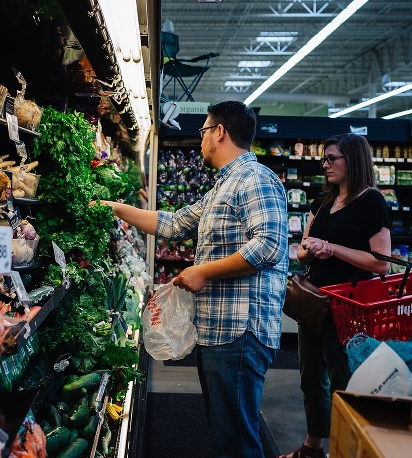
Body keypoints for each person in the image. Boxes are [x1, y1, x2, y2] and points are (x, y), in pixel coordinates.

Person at [96, 101, 288, 458]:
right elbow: (172, 223)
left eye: (202, 131)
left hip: (240, 333)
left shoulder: (255, 179)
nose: (200, 141)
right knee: (226, 433)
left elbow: (269, 245)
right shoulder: (222, 188)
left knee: (238, 441)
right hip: (220, 330)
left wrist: (202, 271)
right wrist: (114, 208)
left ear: (219, 132)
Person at [279, 134, 391, 458]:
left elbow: (381, 263)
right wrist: (310, 250)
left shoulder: (372, 203)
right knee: (310, 377)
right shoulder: (322, 201)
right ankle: (313, 447)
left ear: (352, 161)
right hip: (313, 303)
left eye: (332, 158)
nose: (325, 164)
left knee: (344, 379)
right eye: (324, 159)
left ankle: (349, 449)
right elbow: (301, 252)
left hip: (349, 307)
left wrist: (332, 248)